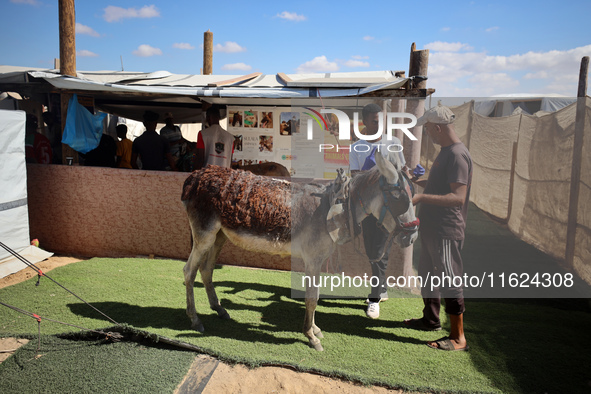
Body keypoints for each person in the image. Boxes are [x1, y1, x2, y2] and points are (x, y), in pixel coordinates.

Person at [403, 103, 472, 352]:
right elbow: (437, 185)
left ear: (438, 127)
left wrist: (420, 198)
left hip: (446, 229)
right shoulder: (446, 151)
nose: (428, 134)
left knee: (450, 279)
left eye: (429, 129)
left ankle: (458, 337)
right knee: (427, 273)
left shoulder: (456, 155)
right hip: (432, 227)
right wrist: (412, 179)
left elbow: (458, 197)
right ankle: (431, 320)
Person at [349, 103, 405, 319]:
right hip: (366, 208)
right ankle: (381, 289)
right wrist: (372, 173)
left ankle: (374, 299)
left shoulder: (394, 142)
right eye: (374, 120)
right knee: (373, 249)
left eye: (381, 120)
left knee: (379, 252)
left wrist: (412, 173)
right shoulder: (357, 147)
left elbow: (400, 172)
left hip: (388, 208)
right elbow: (354, 177)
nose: (379, 124)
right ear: (364, 122)